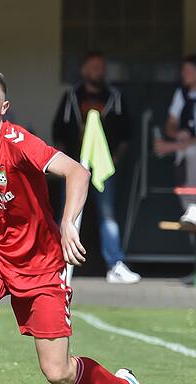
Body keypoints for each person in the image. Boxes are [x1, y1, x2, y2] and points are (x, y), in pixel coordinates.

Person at [0, 70, 160, 384]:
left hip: (41, 263)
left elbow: (78, 173)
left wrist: (67, 222)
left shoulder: (19, 142)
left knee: (58, 372)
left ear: (3, 107)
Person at [52, 51, 140, 284]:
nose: (97, 71)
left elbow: (126, 133)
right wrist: (62, 163)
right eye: (93, 67)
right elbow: (59, 130)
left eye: (101, 67)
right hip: (72, 167)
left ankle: (115, 264)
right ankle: (58, 264)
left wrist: (114, 159)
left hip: (102, 166)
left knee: (107, 215)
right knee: (68, 214)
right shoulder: (72, 95)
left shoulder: (114, 96)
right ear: (83, 70)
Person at [154, 54, 196, 226]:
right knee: (186, 154)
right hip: (183, 153)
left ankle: (193, 205)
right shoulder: (181, 94)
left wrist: (171, 146)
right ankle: (191, 211)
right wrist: (177, 135)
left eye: (187, 71)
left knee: (192, 151)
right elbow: (170, 123)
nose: (182, 74)